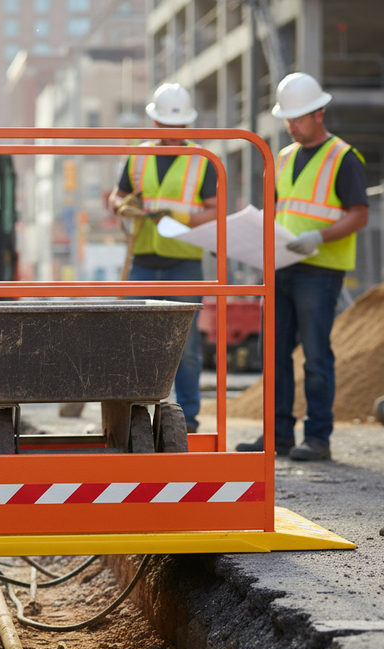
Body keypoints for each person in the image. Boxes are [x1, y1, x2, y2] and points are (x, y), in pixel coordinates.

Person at [237, 72, 368, 461]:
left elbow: (359, 214)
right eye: (287, 119)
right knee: (274, 354)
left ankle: (318, 437)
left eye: (298, 118)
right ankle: (277, 435)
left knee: (315, 355)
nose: (291, 126)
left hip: (319, 270)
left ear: (319, 113)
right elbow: (278, 212)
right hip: (281, 267)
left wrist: (319, 237)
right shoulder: (283, 157)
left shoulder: (343, 157)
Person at [108, 83, 217, 432]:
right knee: (132, 342)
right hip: (142, 261)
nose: (174, 131)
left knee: (186, 348)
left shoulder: (203, 160)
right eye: (168, 125)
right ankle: (133, 417)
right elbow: (117, 196)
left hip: (184, 263)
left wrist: (180, 216)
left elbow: (216, 210)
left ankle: (187, 420)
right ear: (155, 123)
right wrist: (122, 206)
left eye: (180, 125)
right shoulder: (137, 156)